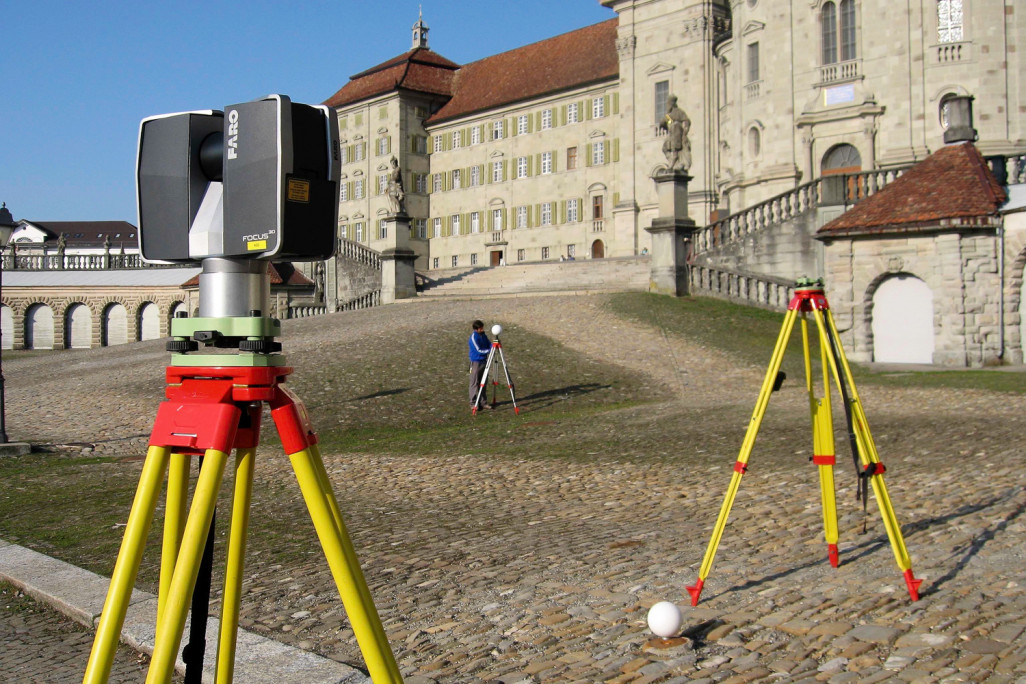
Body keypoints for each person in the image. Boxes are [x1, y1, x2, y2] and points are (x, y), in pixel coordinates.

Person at [468, 320, 493, 411]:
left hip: (484, 361)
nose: (482, 329)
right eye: (481, 328)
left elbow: (488, 344)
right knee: (474, 383)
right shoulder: (473, 338)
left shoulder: (483, 335)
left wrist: (492, 346)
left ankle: (483, 402)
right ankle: (473, 403)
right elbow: (478, 350)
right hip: (476, 362)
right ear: (476, 329)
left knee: (483, 382)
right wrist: (489, 351)